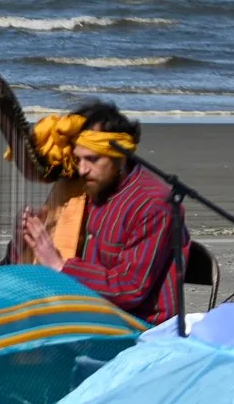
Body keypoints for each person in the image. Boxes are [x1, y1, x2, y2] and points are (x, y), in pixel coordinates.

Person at [11, 100, 188, 325]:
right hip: (92, 317)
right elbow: (34, 263)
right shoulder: (86, 191)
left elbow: (129, 289)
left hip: (137, 329)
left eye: (92, 159)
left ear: (120, 156)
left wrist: (59, 266)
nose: (82, 169)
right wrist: (26, 240)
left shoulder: (153, 204)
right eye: (77, 159)